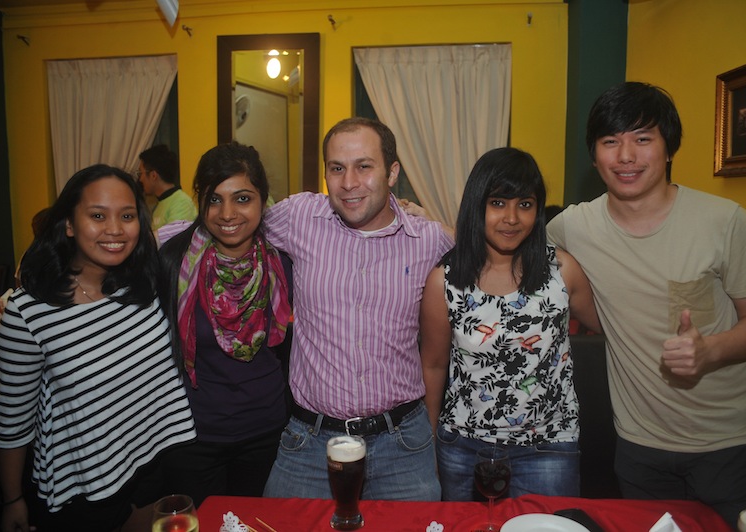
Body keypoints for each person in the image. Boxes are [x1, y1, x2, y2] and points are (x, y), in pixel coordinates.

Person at [546, 82, 746, 526]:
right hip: (639, 446)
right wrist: (430, 225)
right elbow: (507, 243)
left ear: (669, 148)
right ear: (594, 156)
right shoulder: (574, 227)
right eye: (610, 141)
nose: (626, 156)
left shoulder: (724, 221)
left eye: (642, 139)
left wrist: (710, 350)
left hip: (728, 441)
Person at [0, 164, 197, 532]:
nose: (115, 229)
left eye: (127, 216)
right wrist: (12, 499)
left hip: (153, 465)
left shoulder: (144, 286)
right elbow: (13, 419)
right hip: (84, 488)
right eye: (98, 216)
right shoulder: (29, 312)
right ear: (69, 224)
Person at [262, 117, 453, 501]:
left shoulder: (428, 239)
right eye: (337, 168)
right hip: (310, 443)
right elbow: (232, 223)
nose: (349, 182)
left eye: (364, 166)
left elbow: (489, 263)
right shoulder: (300, 217)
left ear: (392, 172)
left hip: (403, 444)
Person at [420, 147, 600, 501]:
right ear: (477, 206)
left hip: (548, 446)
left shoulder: (562, 271)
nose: (512, 218)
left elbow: (614, 328)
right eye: (498, 203)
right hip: (464, 447)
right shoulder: (446, 280)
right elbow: (434, 365)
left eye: (525, 204)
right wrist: (429, 446)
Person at [157, 141, 292, 506]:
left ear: (263, 200)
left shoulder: (284, 264)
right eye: (214, 199)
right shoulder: (173, 261)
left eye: (242, 199)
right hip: (191, 435)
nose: (227, 213)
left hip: (267, 432)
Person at [137, 144, 197, 230]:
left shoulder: (181, 203)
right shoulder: (160, 204)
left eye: (140, 173)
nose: (140, 179)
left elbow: (175, 237)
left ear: (153, 175)